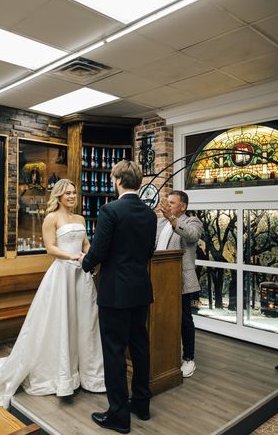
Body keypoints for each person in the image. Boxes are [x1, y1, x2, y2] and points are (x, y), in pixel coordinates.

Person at [0, 179, 105, 408]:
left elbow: (86, 244)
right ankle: (58, 376)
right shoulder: (52, 218)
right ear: (59, 196)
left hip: (81, 275)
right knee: (60, 321)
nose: (72, 196)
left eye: (74, 192)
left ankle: (87, 374)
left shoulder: (80, 219)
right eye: (68, 193)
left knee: (84, 322)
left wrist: (90, 257)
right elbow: (50, 247)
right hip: (62, 274)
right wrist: (71, 257)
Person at [80, 160, 157, 434]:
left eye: (113, 179)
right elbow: (149, 251)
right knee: (140, 347)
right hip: (141, 290)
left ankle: (118, 416)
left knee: (113, 352)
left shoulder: (110, 210)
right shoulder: (150, 215)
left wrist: (85, 263)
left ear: (118, 181)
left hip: (114, 292)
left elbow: (99, 251)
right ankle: (142, 405)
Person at [155, 191, 202, 378]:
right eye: (167, 202)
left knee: (184, 319)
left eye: (172, 203)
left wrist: (172, 219)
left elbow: (191, 236)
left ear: (183, 206)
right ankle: (165, 354)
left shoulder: (193, 222)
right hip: (160, 278)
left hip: (181, 280)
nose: (168, 205)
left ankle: (189, 358)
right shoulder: (160, 223)